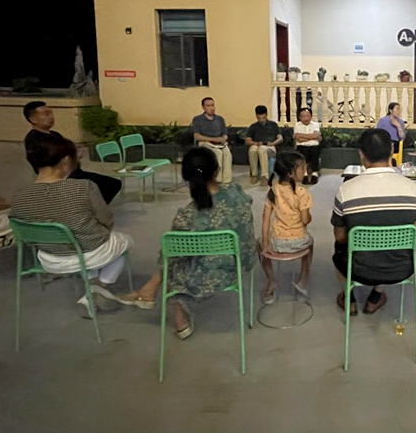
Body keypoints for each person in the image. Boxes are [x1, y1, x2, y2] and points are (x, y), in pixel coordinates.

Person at [117, 148, 256, 339]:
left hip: (206, 278)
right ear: (216, 171)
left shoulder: (187, 217)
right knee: (177, 255)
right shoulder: (236, 192)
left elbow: (170, 254)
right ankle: (149, 291)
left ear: (186, 177)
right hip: (242, 262)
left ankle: (177, 318)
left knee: (171, 261)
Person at [11, 135, 131, 318]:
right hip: (90, 252)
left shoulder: (19, 197)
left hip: (49, 258)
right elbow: (107, 219)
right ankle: (97, 287)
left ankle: (93, 286)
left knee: (86, 244)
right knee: (124, 242)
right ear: (66, 160)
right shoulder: (83, 187)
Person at [331, 129, 416, 316]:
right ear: (392, 150)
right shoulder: (413, 189)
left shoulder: (346, 190)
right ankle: (375, 297)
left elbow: (340, 237)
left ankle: (349, 299)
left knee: (339, 247)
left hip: (359, 268)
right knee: (394, 242)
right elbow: (413, 232)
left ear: (361, 154)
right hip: (402, 267)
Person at [23, 101, 122, 204]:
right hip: (61, 174)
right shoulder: (34, 139)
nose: (51, 117)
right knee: (102, 186)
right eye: (46, 114)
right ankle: (88, 207)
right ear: (33, 119)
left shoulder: (54, 134)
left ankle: (92, 207)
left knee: (113, 184)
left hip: (74, 171)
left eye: (51, 113)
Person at [260, 152, 314, 304]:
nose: (305, 171)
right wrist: (309, 216)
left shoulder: (273, 191)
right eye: (302, 168)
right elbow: (305, 220)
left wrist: (265, 243)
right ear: (290, 172)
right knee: (311, 243)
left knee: (259, 248)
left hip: (277, 243)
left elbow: (265, 220)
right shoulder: (302, 192)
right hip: (299, 242)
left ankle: (271, 281)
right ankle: (303, 282)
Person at [191, 97, 233, 184]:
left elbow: (225, 134)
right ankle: (217, 179)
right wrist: (214, 139)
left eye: (213, 105)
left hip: (219, 143)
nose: (211, 108)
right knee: (217, 153)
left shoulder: (220, 119)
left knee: (227, 153)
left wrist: (223, 138)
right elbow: (197, 136)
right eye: (208, 106)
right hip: (205, 142)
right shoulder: (198, 119)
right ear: (203, 107)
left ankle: (227, 180)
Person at [245, 105, 283, 186]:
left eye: (263, 117)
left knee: (261, 149)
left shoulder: (273, 125)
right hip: (258, 145)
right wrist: (255, 143)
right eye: (259, 118)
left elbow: (280, 138)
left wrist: (273, 143)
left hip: (270, 147)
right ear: (256, 116)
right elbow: (247, 140)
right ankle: (254, 174)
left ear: (266, 115)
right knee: (252, 150)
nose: (261, 120)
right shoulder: (253, 126)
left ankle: (265, 176)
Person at [294, 108, 322, 184]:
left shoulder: (315, 125)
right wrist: (312, 137)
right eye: (303, 116)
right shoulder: (297, 125)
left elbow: (316, 136)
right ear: (299, 117)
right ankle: (305, 174)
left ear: (311, 116)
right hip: (302, 146)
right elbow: (298, 139)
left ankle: (314, 174)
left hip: (314, 146)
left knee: (315, 151)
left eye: (307, 116)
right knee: (303, 151)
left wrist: (302, 135)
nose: (306, 118)